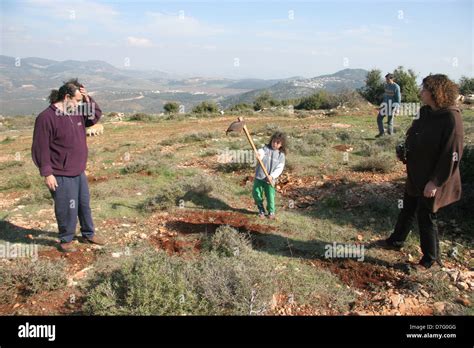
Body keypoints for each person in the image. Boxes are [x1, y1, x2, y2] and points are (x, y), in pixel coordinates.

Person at [375, 74, 464, 270]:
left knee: (426, 216)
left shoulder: (451, 118)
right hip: (416, 174)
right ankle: (395, 241)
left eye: (424, 89)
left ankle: (430, 261)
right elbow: (414, 133)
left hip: (434, 179)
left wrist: (435, 182)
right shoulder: (425, 112)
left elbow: (452, 154)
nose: (421, 92)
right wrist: (405, 150)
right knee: (407, 208)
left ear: (435, 93)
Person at [31, 79, 106, 252]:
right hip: (60, 173)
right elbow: (40, 147)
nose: (79, 103)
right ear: (66, 97)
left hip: (78, 170)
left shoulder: (76, 112)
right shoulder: (46, 118)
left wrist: (87, 98)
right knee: (66, 207)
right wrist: (47, 172)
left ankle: (88, 234)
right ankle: (66, 239)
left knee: (83, 205)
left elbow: (94, 116)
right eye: (77, 99)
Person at [252, 132, 287, 219]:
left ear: (281, 144)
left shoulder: (281, 155)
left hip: (270, 180)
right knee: (256, 193)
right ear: (271, 141)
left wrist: (272, 176)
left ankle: (271, 211)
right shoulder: (265, 149)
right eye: (273, 141)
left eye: (277, 143)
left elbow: (280, 168)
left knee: (270, 196)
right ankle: (261, 210)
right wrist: (258, 155)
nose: (275, 144)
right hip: (259, 176)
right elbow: (260, 152)